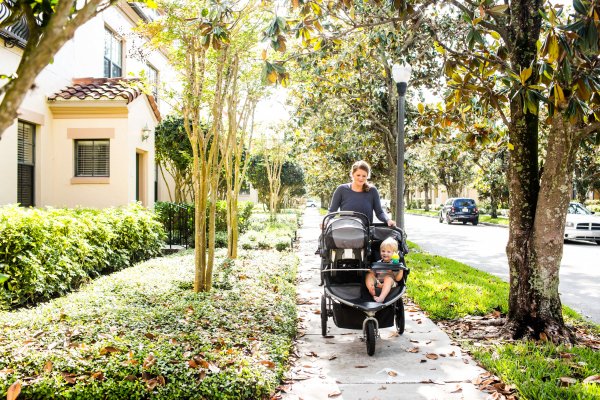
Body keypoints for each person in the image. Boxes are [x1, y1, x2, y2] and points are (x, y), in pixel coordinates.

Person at [328, 160, 395, 226]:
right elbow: (332, 212)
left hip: (365, 232)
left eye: (364, 176)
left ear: (367, 176)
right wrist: (326, 221)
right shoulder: (341, 190)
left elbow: (379, 213)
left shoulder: (372, 191)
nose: (361, 178)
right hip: (345, 231)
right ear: (352, 174)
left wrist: (388, 220)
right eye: (358, 175)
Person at [365, 237, 404, 303]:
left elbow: (397, 279)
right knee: (369, 275)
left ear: (395, 253)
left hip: (390, 283)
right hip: (378, 282)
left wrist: (401, 270)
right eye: (383, 251)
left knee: (388, 278)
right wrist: (371, 271)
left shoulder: (394, 264)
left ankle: (381, 297)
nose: (385, 253)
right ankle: (371, 289)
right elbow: (374, 273)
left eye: (388, 252)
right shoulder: (379, 262)